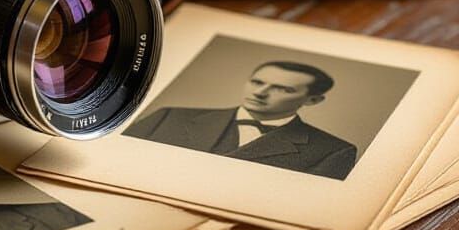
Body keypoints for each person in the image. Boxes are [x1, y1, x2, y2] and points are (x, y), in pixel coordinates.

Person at [125, 61, 358, 179]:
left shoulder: (333, 151)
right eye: (257, 83)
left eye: (282, 89)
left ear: (313, 100)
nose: (260, 93)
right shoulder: (170, 116)